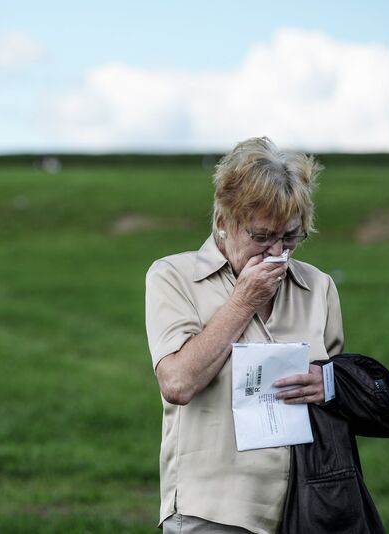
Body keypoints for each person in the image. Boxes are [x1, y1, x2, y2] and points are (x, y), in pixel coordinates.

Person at [145, 137, 344, 534]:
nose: (277, 254)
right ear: (224, 220)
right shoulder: (173, 276)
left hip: (305, 508)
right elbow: (179, 382)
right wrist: (243, 301)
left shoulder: (318, 286)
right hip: (212, 511)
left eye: (289, 238)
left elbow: (337, 388)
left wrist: (328, 386)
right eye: (261, 237)